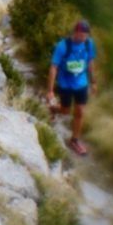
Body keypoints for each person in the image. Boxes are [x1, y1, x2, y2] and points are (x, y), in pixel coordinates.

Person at [46, 19, 97, 156]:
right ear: (75, 32)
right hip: (66, 84)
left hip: (81, 83)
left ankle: (74, 140)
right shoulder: (63, 46)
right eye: (80, 35)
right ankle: (53, 108)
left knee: (80, 111)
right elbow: (53, 67)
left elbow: (91, 63)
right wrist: (50, 91)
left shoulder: (88, 44)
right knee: (65, 111)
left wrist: (93, 82)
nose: (83, 38)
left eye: (85, 35)